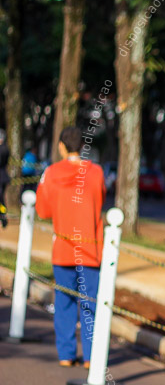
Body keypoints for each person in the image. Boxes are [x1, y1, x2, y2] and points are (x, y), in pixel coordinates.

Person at [35, 126, 105, 367]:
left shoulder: (51, 172)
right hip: (91, 249)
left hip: (64, 247)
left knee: (64, 301)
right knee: (89, 302)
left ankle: (66, 355)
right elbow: (100, 200)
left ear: (61, 147)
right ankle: (90, 357)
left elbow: (42, 210)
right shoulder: (96, 172)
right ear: (82, 147)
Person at [0, 130, 9, 228]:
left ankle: (3, 217)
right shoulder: (6, 148)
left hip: (1, 177)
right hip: (3, 177)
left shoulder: (2, 149)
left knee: (1, 198)